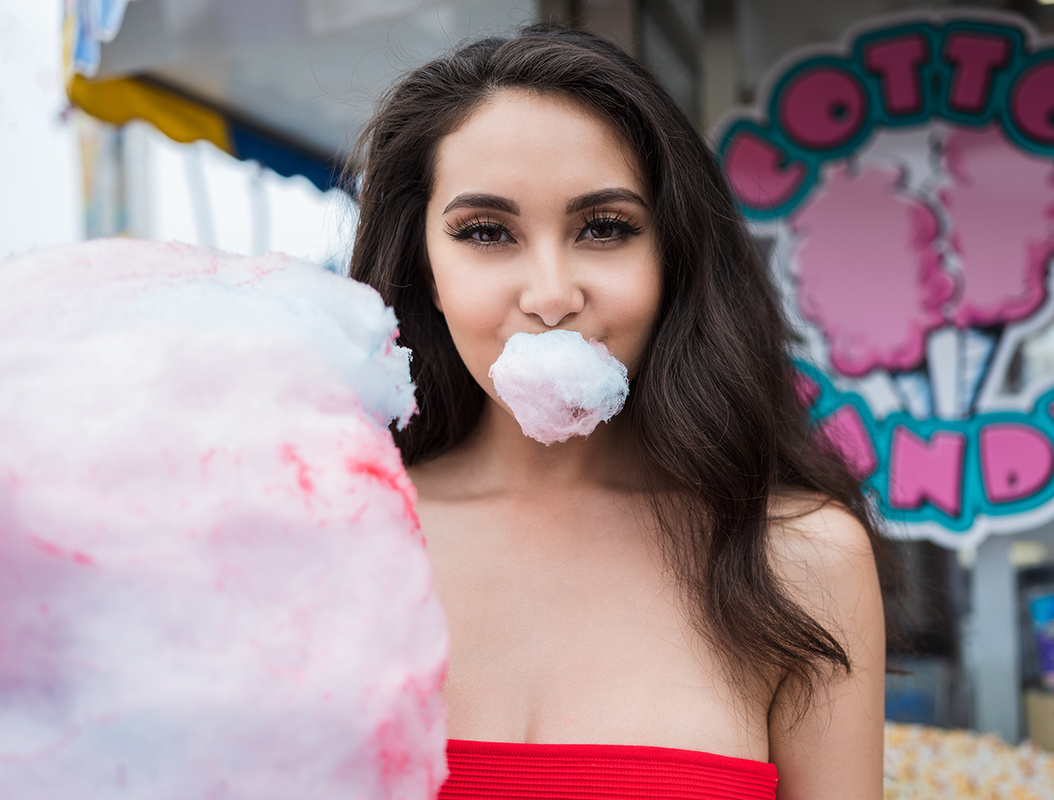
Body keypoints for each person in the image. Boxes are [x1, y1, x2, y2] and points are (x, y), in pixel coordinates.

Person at [347, 24, 898, 800]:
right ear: (423, 270)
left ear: (673, 257)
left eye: (604, 228)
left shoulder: (800, 560)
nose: (550, 296)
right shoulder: (343, 535)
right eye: (486, 233)